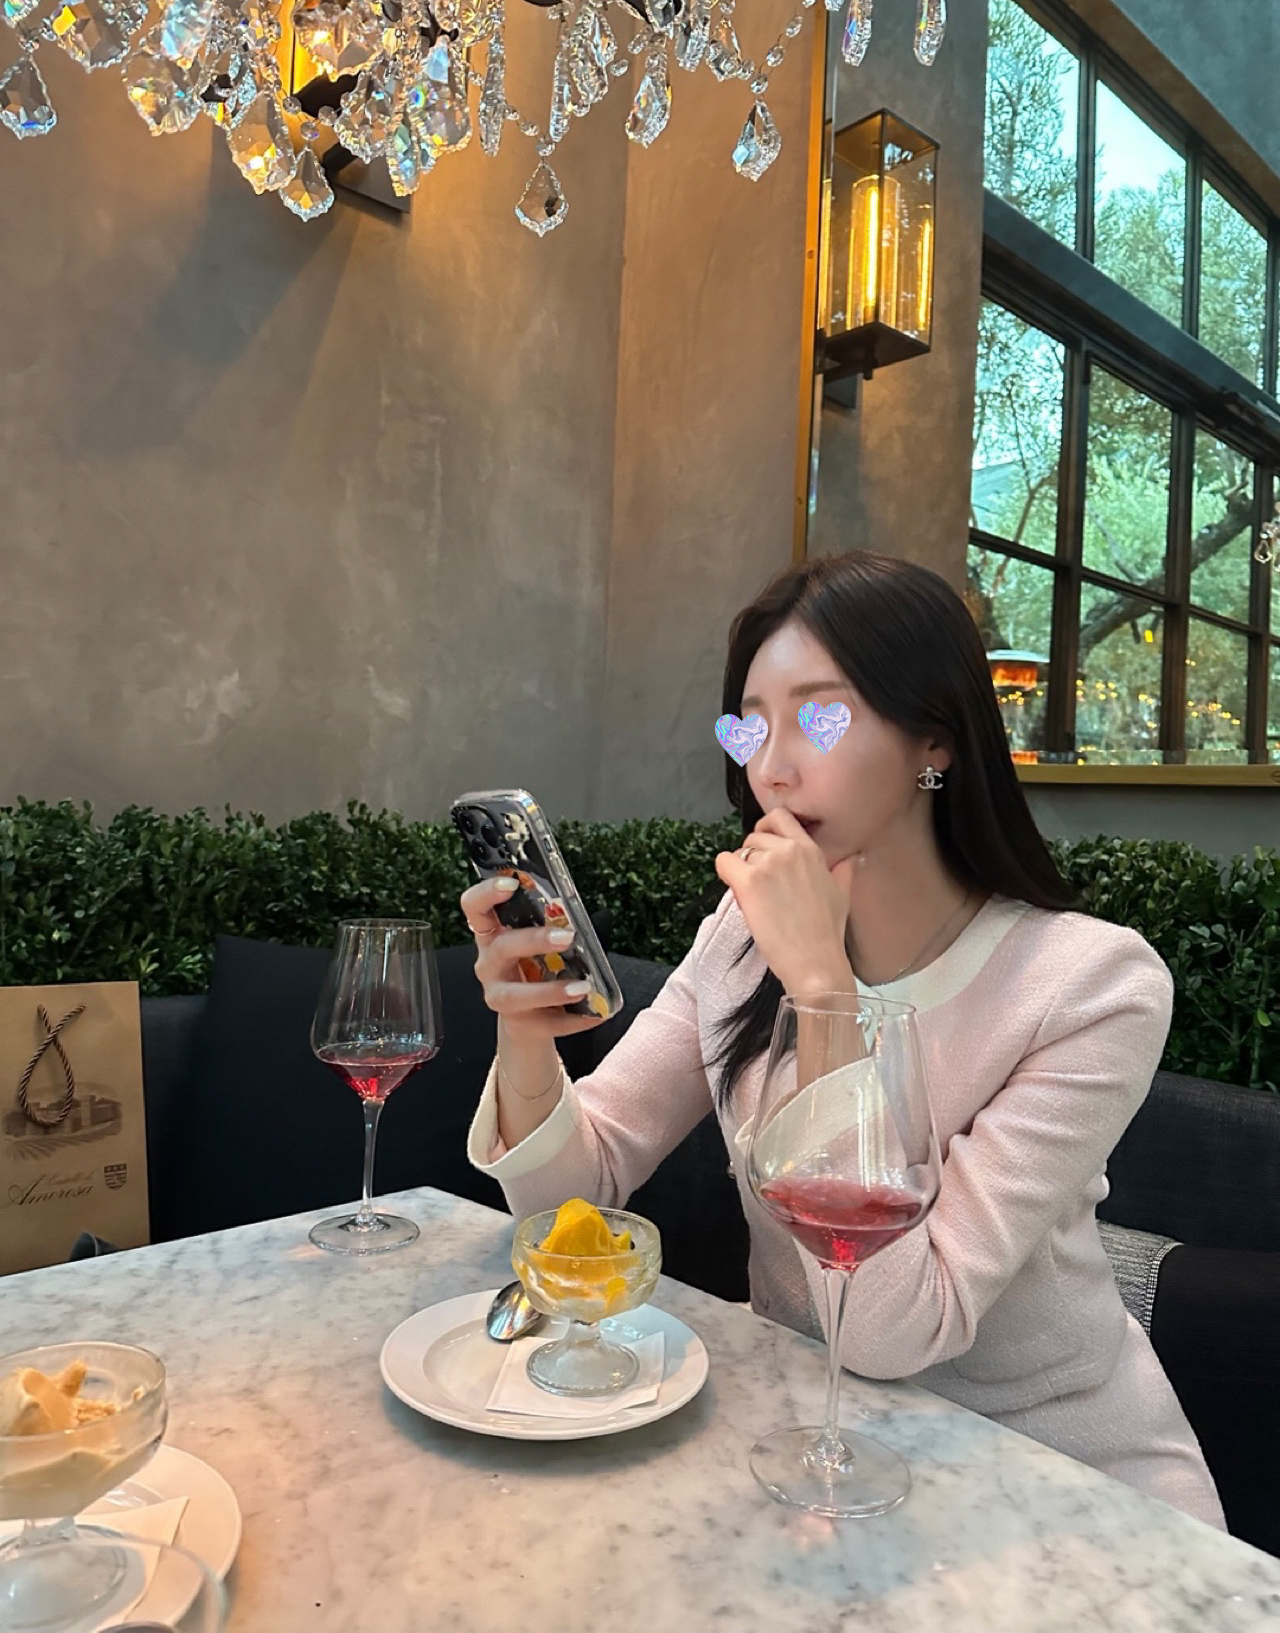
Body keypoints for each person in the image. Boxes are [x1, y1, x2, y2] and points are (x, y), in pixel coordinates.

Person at [460, 548, 1226, 1531]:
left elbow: (896, 1325)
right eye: (750, 725)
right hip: (808, 1446)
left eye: (820, 717)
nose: (771, 768)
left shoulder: (1091, 986)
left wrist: (823, 991)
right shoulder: (740, 940)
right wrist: (525, 1031)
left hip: (1056, 1481)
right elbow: (574, 1191)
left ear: (934, 741)